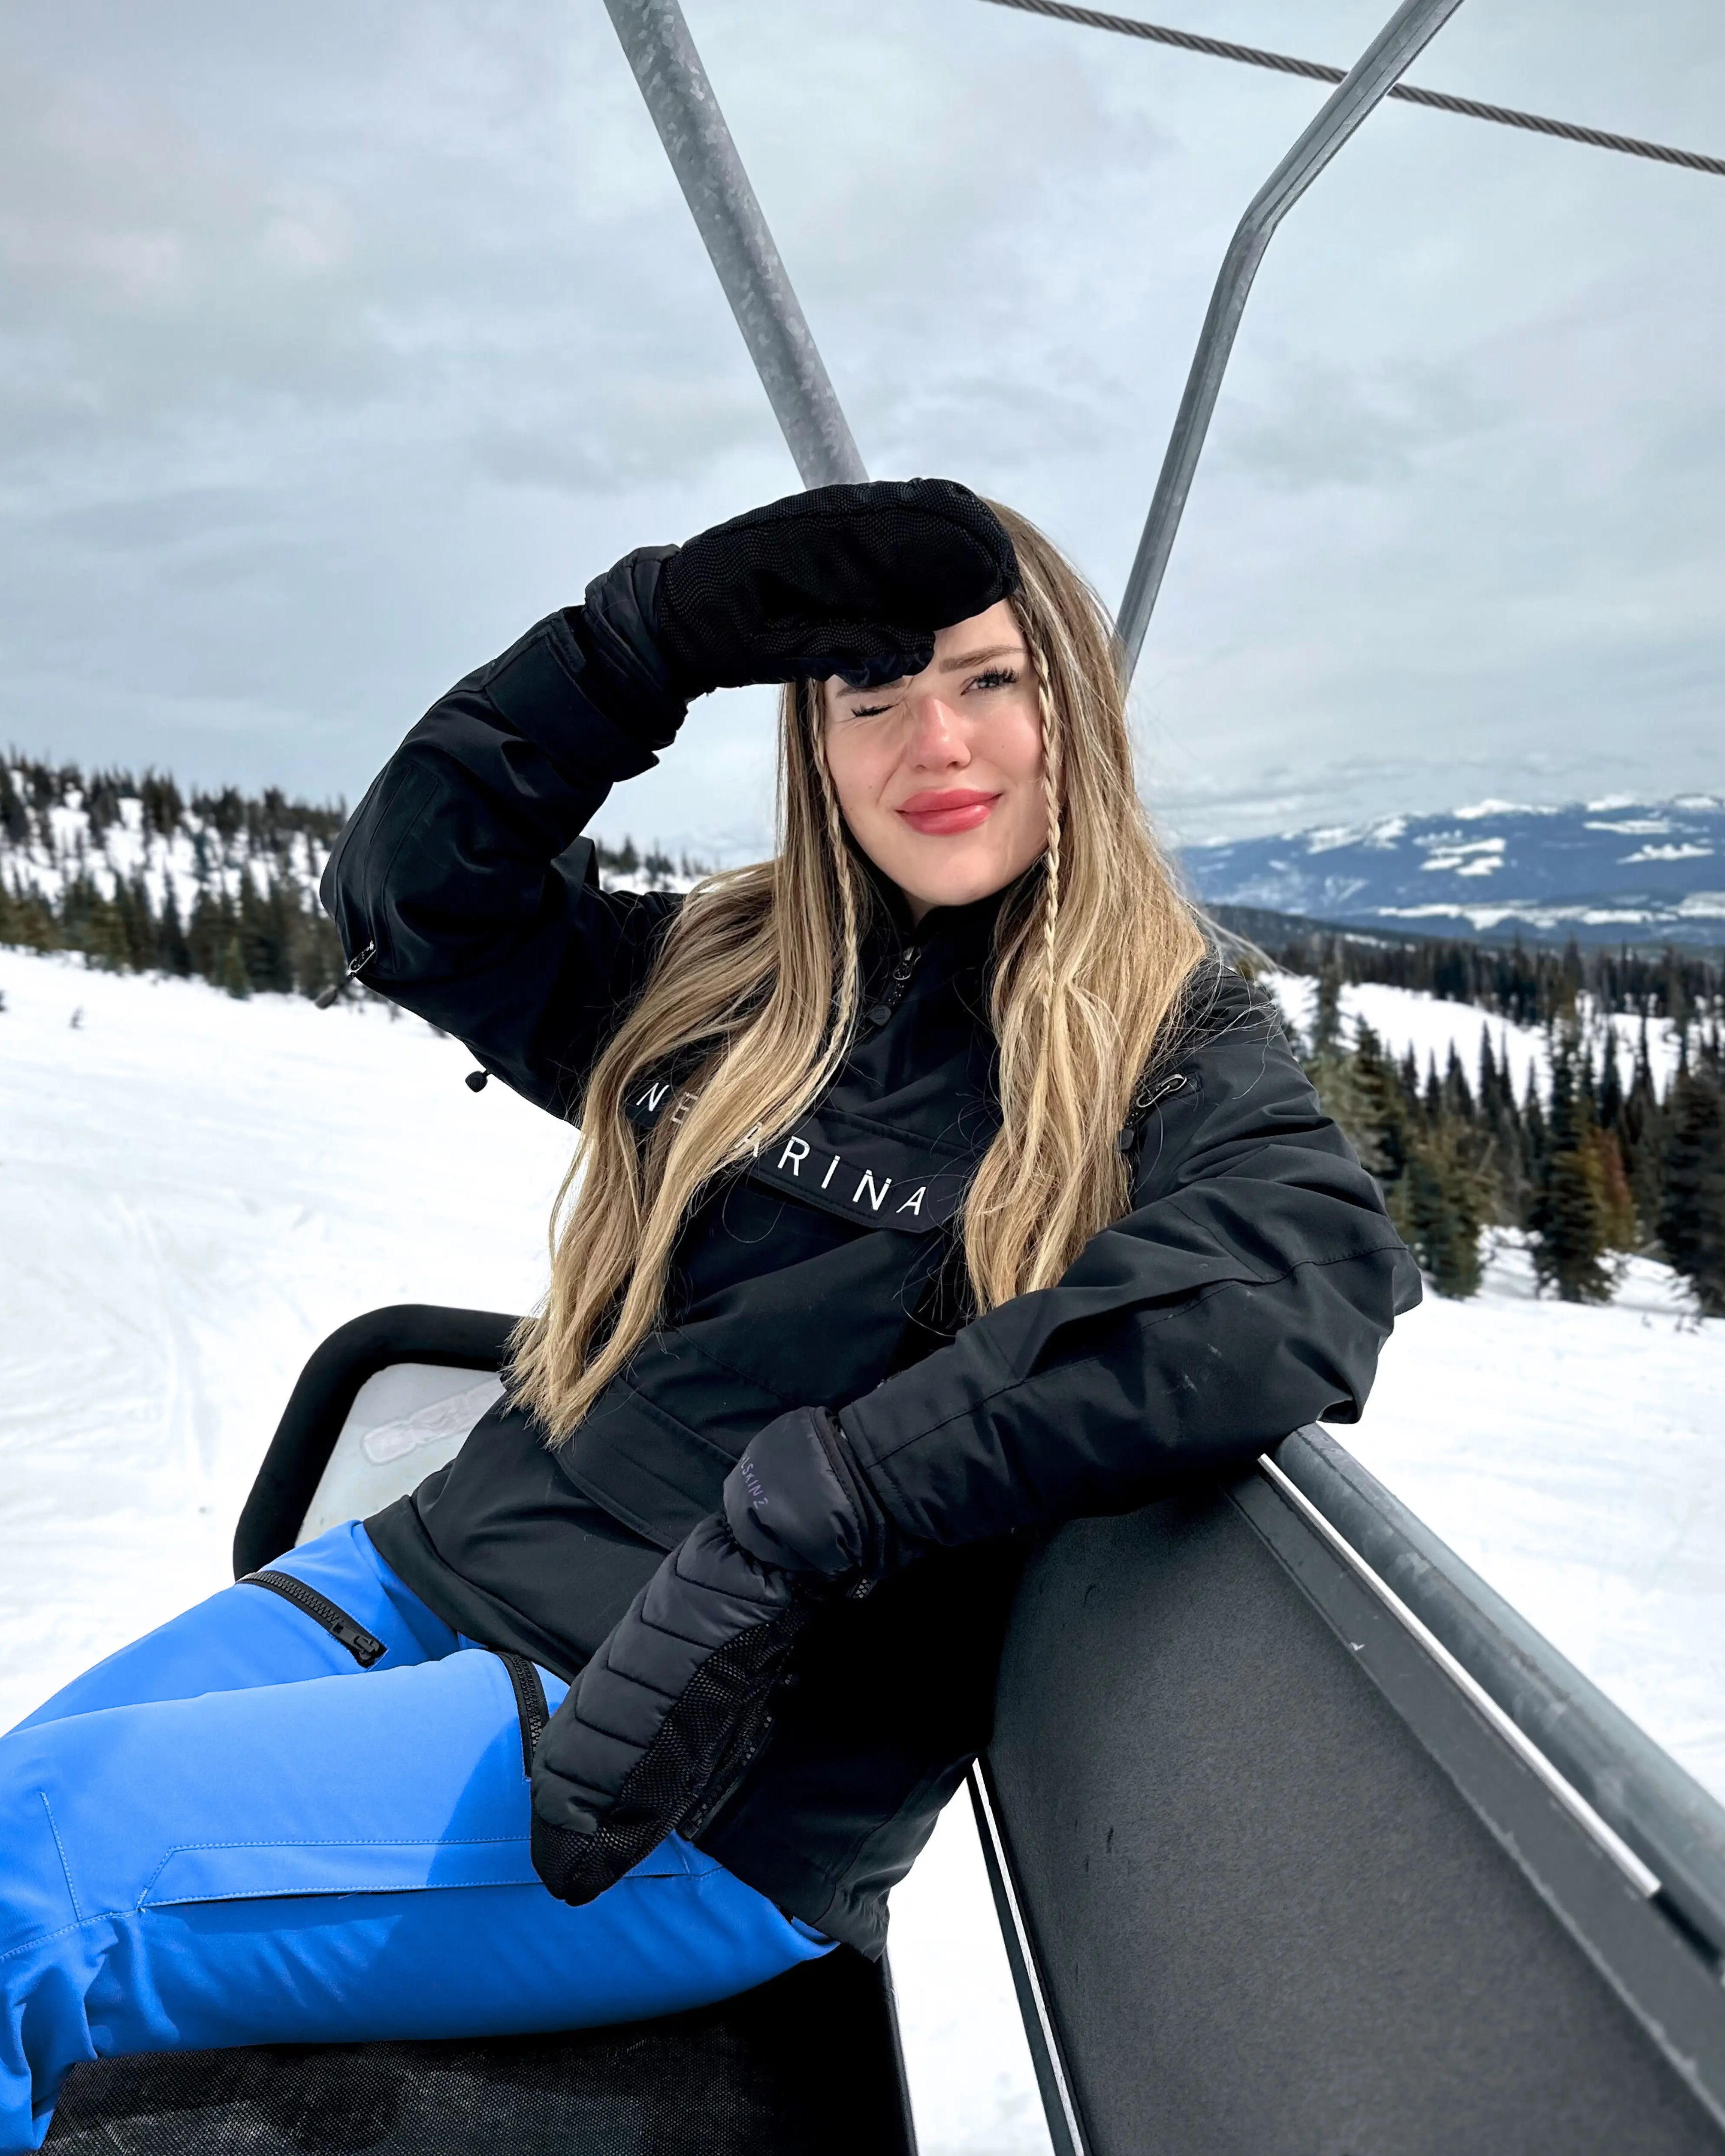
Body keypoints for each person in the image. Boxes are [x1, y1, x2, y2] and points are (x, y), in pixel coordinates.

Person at [0, 479, 1418, 2148]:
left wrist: (824, 1504)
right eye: (868, 697)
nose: (933, 743)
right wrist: (644, 636)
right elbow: (413, 891)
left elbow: (1298, 1261)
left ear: (1073, 710)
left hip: (688, 1774)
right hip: (416, 1579)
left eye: (988, 680)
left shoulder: (1158, 1037)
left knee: (38, 1897)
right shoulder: (737, 974)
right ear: (814, 745)